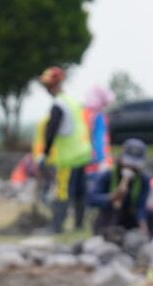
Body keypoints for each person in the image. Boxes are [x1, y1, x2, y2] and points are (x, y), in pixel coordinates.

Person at [38, 66, 92, 233]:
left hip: (68, 157)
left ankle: (56, 226)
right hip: (82, 153)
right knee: (80, 191)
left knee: (62, 190)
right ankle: (78, 225)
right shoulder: (72, 101)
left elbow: (51, 131)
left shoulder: (58, 105)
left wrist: (44, 154)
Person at [88, 139, 153, 239]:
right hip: (110, 216)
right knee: (115, 208)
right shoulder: (108, 175)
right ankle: (107, 237)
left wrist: (142, 222)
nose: (130, 166)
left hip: (130, 217)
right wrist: (112, 197)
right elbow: (91, 199)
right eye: (128, 162)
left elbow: (141, 205)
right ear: (121, 158)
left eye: (135, 164)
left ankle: (146, 242)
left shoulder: (144, 180)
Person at [83, 86, 114, 175]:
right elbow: (99, 139)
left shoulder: (84, 114)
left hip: (86, 159)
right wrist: (101, 159)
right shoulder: (99, 116)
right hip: (99, 160)